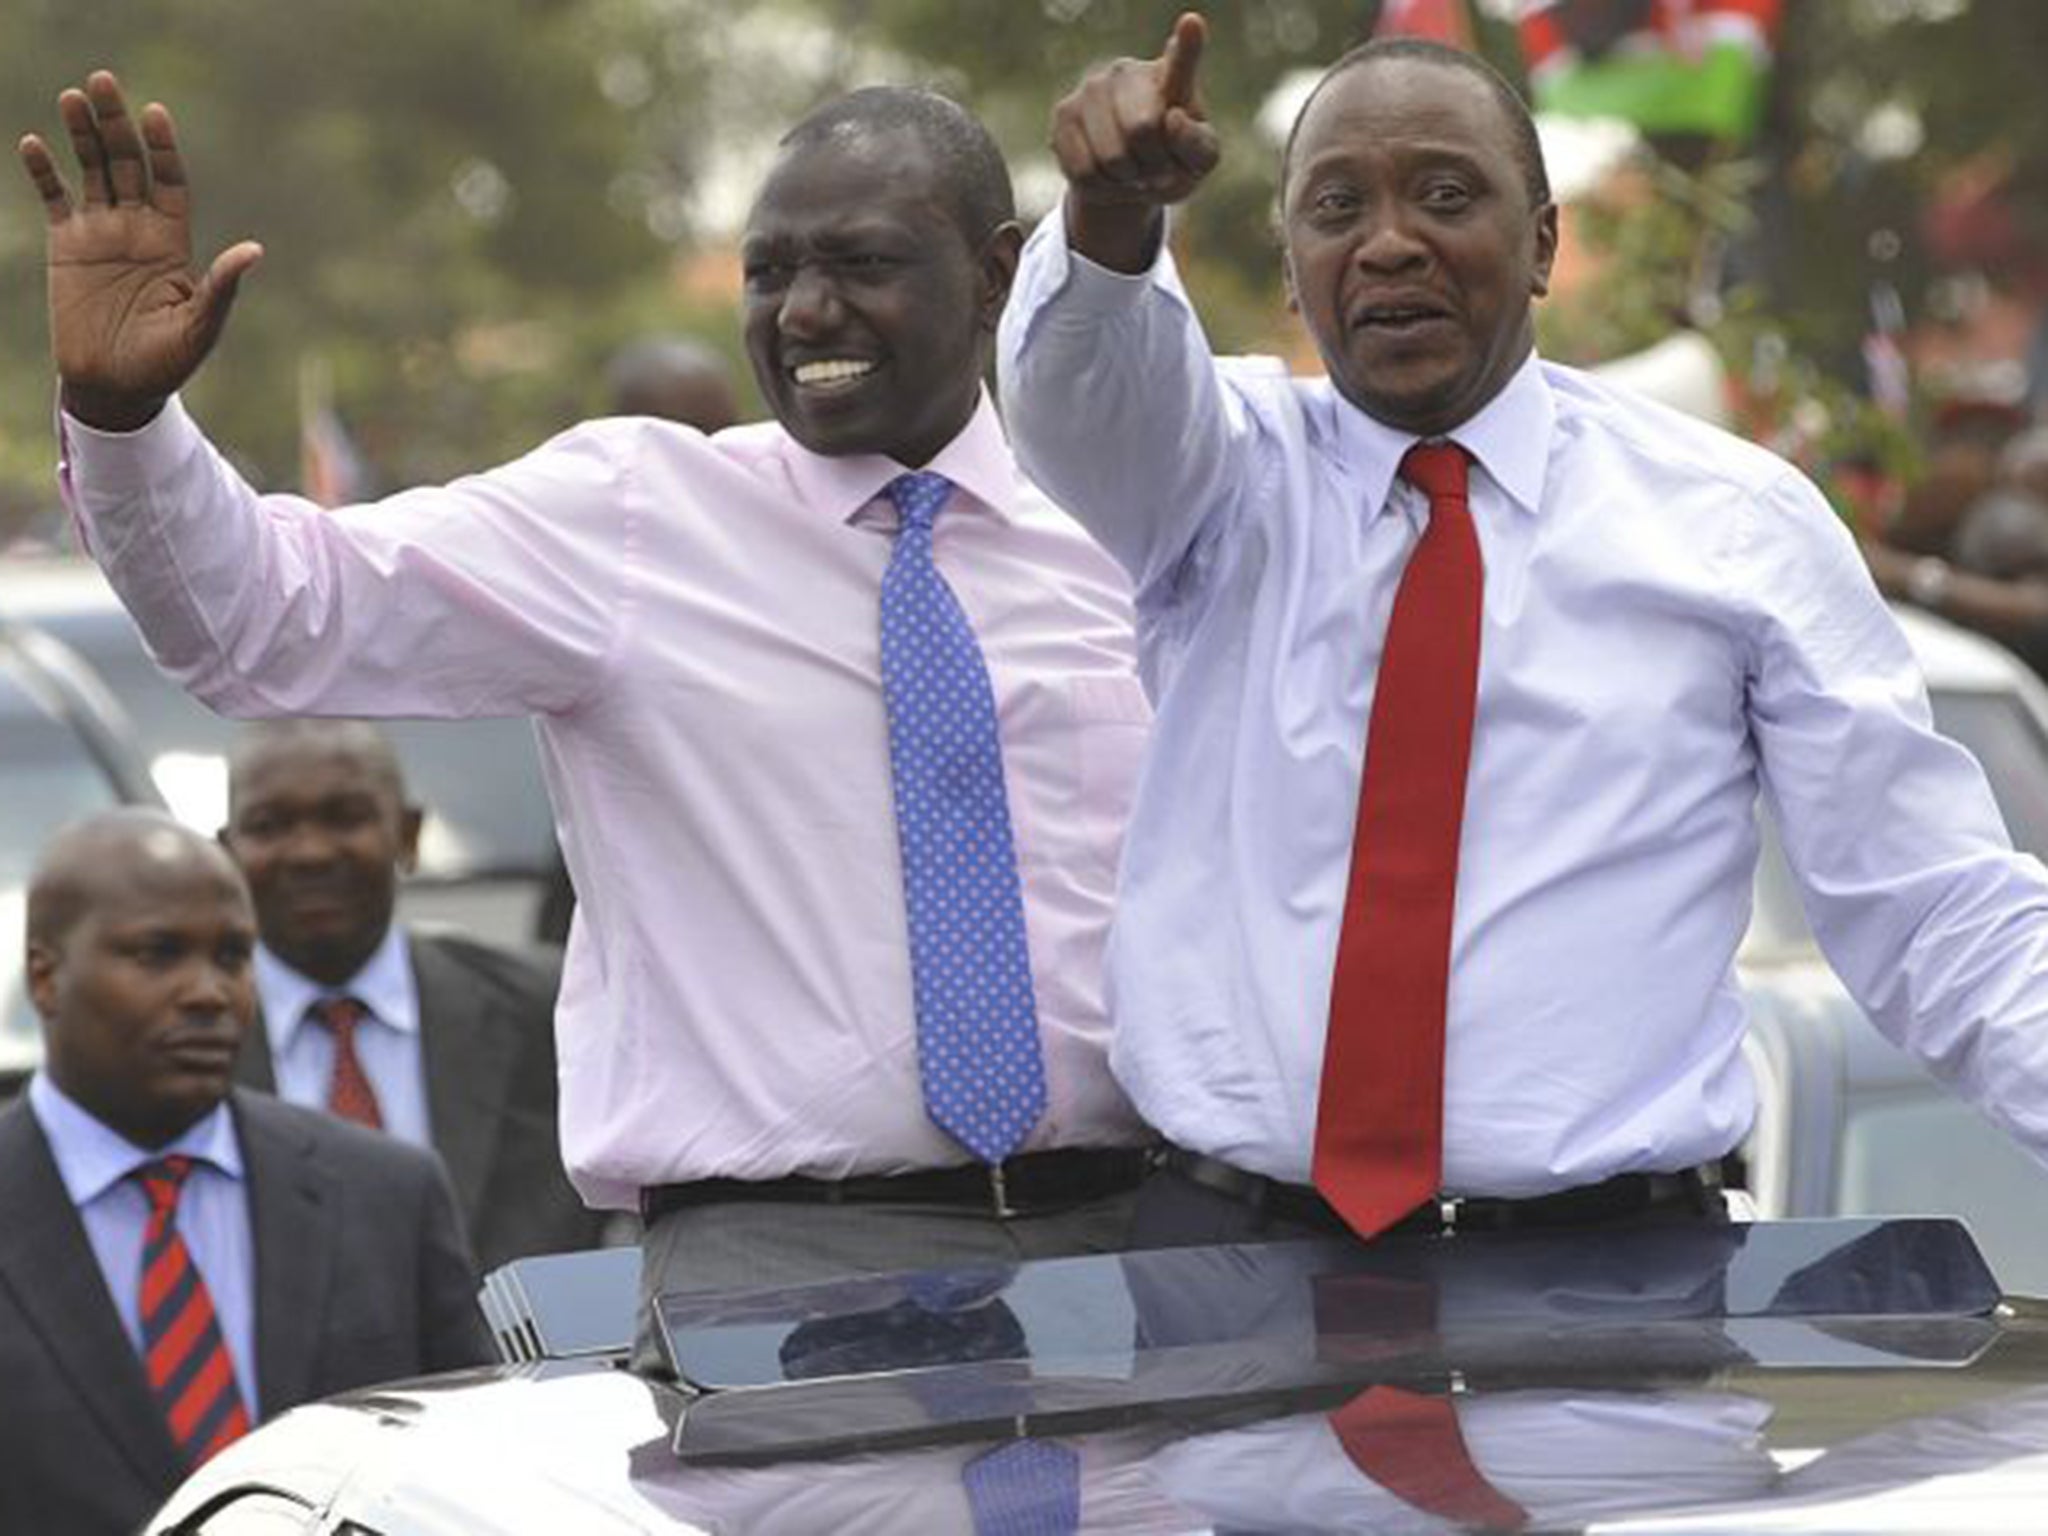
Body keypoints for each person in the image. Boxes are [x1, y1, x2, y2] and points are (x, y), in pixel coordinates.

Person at [22, 76, 1153, 1317]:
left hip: (1138, 1245)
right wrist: (126, 419)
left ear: (993, 276)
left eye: (861, 262)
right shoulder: (633, 518)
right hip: (784, 1277)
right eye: (769, 273)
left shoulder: (1132, 520)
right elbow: (263, 618)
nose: (806, 311)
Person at [998, 16, 2048, 1246]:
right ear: (1290, 271)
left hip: (1619, 1285)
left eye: (1445, 195)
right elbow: (1081, 396)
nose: (1389, 243)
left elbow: (1928, 907)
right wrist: (1112, 224)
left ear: (1543, 242)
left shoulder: (1735, 523)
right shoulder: (1210, 479)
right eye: (1334, 209)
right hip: (1227, 1271)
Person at [0, 809, 491, 1536]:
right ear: (46, 977)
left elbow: (467, 1478)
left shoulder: (386, 1193)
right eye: (157, 954)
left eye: (233, 956)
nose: (209, 993)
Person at [221, 718, 602, 1271]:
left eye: (344, 817)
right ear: (226, 852)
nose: (309, 852)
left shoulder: (546, 1014)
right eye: (269, 825)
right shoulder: (182, 1047)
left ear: (408, 834)